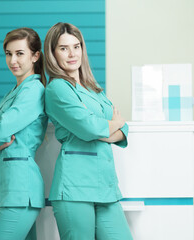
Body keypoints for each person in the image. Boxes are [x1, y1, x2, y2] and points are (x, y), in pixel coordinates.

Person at [44, 22, 133, 240]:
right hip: (75, 187)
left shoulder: (93, 88)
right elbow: (89, 127)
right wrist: (110, 125)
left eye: (76, 46)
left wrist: (105, 128)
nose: (72, 53)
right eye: (63, 48)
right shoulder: (57, 89)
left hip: (105, 185)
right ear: (53, 53)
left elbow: (124, 128)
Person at [0, 27, 47, 240]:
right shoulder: (14, 92)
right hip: (12, 191)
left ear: (35, 56)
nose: (12, 60)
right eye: (8, 54)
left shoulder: (33, 91)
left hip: (21, 190)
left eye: (20, 53)